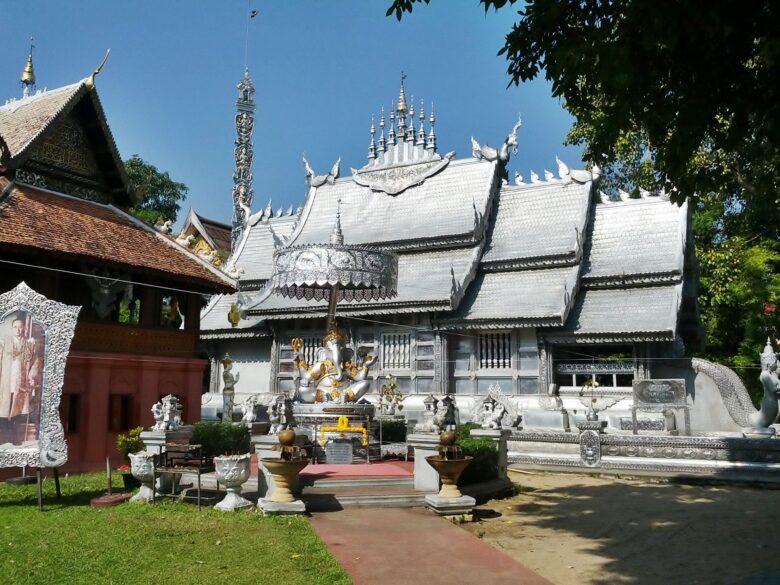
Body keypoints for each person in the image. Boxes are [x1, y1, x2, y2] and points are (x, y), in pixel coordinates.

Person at [0, 315, 42, 445]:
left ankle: (13, 438)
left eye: (20, 327)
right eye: (15, 327)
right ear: (12, 329)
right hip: (5, 381)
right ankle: (3, 437)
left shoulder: (29, 344)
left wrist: (31, 377)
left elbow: (35, 361)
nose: (18, 330)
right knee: (2, 409)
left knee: (16, 412)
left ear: (24, 329)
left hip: (20, 383)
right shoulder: (3, 342)